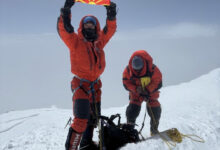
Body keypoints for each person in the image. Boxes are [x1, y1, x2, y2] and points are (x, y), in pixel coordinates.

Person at [57, 0, 117, 149]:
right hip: (81, 85)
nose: (88, 26)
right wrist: (66, 10)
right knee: (81, 119)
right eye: (86, 24)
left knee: (92, 119)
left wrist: (111, 13)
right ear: (82, 26)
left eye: (91, 24)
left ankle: (86, 144)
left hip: (95, 85)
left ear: (95, 26)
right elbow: (64, 30)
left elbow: (109, 30)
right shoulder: (75, 42)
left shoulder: (99, 42)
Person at [122, 50, 162, 136]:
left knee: (155, 110)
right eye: (136, 68)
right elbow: (126, 83)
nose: (138, 70)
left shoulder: (153, 69)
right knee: (132, 110)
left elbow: (158, 81)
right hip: (136, 94)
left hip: (150, 94)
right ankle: (129, 131)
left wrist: (147, 90)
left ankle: (154, 131)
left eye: (139, 68)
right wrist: (136, 89)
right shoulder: (128, 70)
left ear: (144, 64)